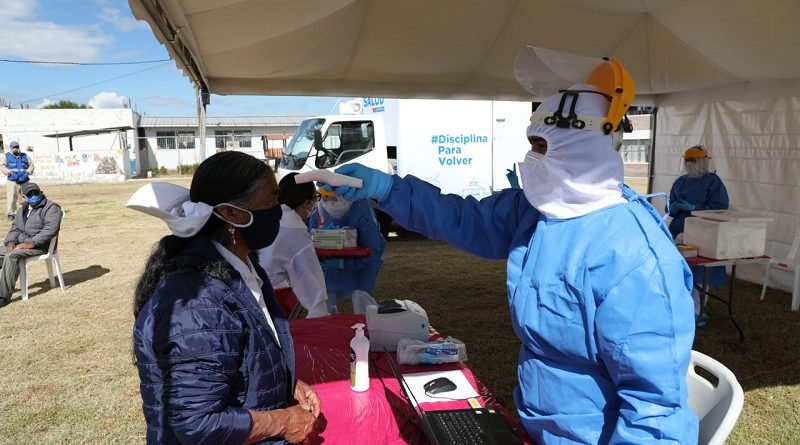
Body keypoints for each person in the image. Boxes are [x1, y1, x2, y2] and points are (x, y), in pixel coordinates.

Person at [319, 59, 698, 444]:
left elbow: (655, 415)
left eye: (541, 146)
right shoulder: (538, 211)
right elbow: (463, 218)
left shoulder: (635, 259)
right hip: (536, 425)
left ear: (581, 148)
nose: (531, 158)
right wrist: (388, 189)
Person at [127, 152, 320, 445]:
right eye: (270, 200)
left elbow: (243, 355)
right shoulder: (199, 301)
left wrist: (284, 382)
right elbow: (198, 423)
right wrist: (284, 420)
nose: (279, 210)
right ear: (231, 214)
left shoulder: (240, 265)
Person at [668, 145, 730, 323]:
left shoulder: (713, 182)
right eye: (687, 161)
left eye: (693, 161)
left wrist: (695, 209)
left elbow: (720, 207)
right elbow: (670, 206)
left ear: (703, 162)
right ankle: (677, 306)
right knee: (676, 269)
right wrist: (672, 207)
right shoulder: (680, 182)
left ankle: (696, 310)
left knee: (700, 273)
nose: (689, 164)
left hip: (703, 232)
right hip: (679, 230)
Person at [258, 173, 329, 318]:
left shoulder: (266, 217)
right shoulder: (295, 231)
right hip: (271, 300)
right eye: (314, 198)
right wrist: (320, 315)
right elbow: (312, 284)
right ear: (306, 203)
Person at [308, 192, 386, 314]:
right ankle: (328, 326)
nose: (332, 205)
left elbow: (373, 252)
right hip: (330, 261)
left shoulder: (362, 211)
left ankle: (368, 327)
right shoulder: (320, 211)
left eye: (335, 200)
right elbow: (310, 241)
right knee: (324, 300)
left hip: (362, 264)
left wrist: (341, 263)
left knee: (361, 299)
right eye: (327, 200)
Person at [0, 183, 62, 308]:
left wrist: (30, 243)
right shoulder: (22, 208)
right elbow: (15, 228)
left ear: (41, 192)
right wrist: (11, 242)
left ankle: (3, 297)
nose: (33, 196)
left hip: (40, 246)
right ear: (24, 197)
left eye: (36, 193)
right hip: (20, 243)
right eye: (30, 194)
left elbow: (50, 230)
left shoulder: (51, 208)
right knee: (4, 253)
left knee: (12, 256)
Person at [1, 141, 36, 221]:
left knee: (27, 197)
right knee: (12, 198)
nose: (16, 149)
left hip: (25, 180)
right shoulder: (6, 156)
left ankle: (27, 212)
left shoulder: (25, 156)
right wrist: (8, 172)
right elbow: (2, 166)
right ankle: (11, 214)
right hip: (12, 181)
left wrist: (28, 172)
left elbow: (31, 165)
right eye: (14, 147)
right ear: (10, 148)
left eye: (17, 147)